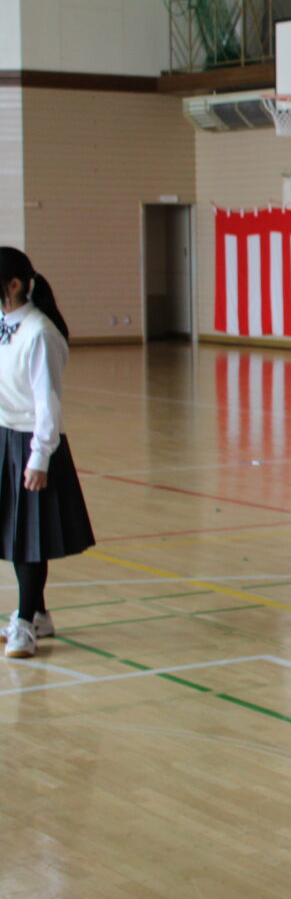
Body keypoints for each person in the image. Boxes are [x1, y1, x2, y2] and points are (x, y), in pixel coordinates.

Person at [0, 248, 93, 660]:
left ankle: (23, 624)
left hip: (32, 443)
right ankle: (36, 612)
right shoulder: (6, 324)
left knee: (27, 540)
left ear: (15, 285)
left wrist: (39, 457)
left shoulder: (40, 333)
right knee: (12, 533)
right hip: (5, 437)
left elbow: (47, 404)